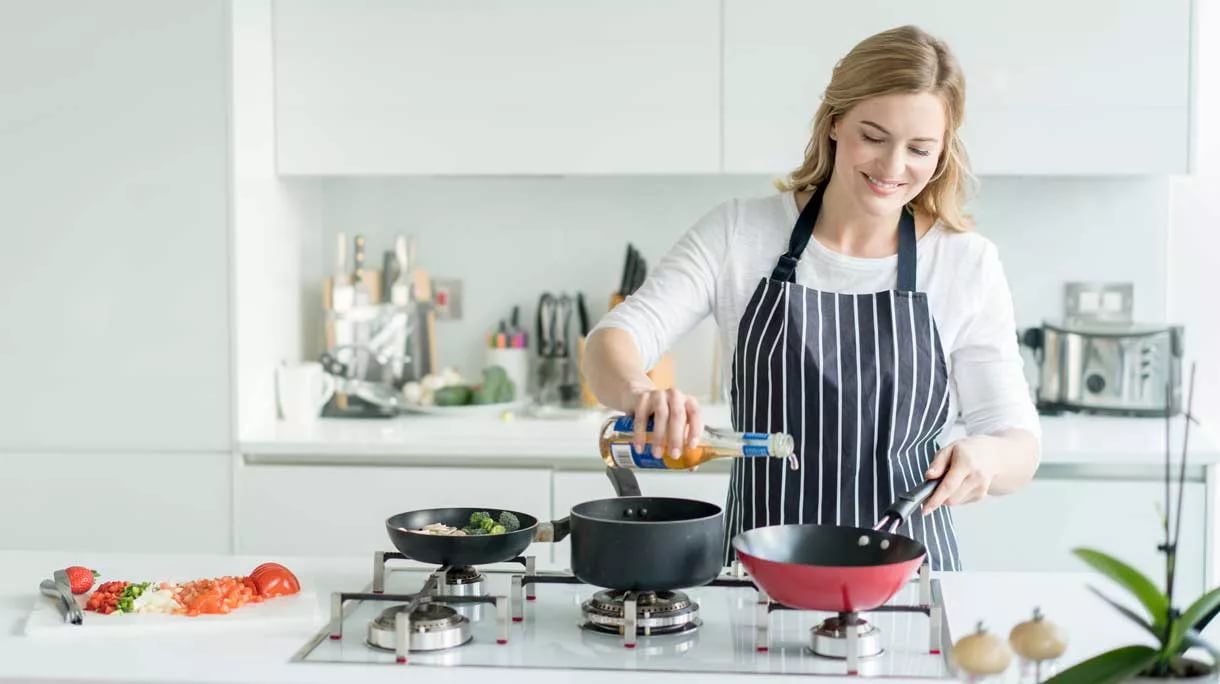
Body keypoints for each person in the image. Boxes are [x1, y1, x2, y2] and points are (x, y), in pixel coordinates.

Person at [582, 25, 1040, 571]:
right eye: (873, 136)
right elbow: (611, 343)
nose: (893, 168)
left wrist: (985, 455)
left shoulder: (965, 262)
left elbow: (1019, 445)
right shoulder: (740, 233)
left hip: (908, 587)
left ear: (943, 153)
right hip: (758, 580)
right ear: (833, 124)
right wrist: (641, 394)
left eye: (919, 149)